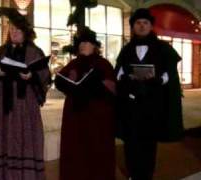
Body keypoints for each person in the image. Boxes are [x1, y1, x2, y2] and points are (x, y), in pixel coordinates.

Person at [115, 8, 183, 180]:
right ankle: (133, 174)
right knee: (130, 142)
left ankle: (146, 176)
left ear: (151, 26)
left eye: (145, 23)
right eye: (138, 23)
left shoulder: (163, 48)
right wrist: (126, 79)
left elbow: (171, 73)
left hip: (153, 104)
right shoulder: (126, 49)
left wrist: (158, 80)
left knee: (148, 143)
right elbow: (119, 73)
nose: (142, 26)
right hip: (131, 106)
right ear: (133, 27)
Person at [0, 7, 51, 180]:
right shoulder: (0, 51)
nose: (13, 32)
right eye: (11, 29)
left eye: (17, 29)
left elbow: (45, 76)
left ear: (25, 32)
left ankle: (27, 175)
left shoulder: (34, 52)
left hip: (25, 105)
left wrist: (32, 76)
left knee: (26, 136)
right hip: (4, 107)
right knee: (5, 138)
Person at [55, 27, 116, 180]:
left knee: (97, 149)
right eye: (81, 42)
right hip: (75, 115)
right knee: (74, 149)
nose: (83, 45)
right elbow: (62, 81)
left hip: (97, 117)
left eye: (87, 42)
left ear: (95, 46)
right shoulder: (73, 63)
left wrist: (96, 85)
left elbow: (112, 90)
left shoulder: (103, 64)